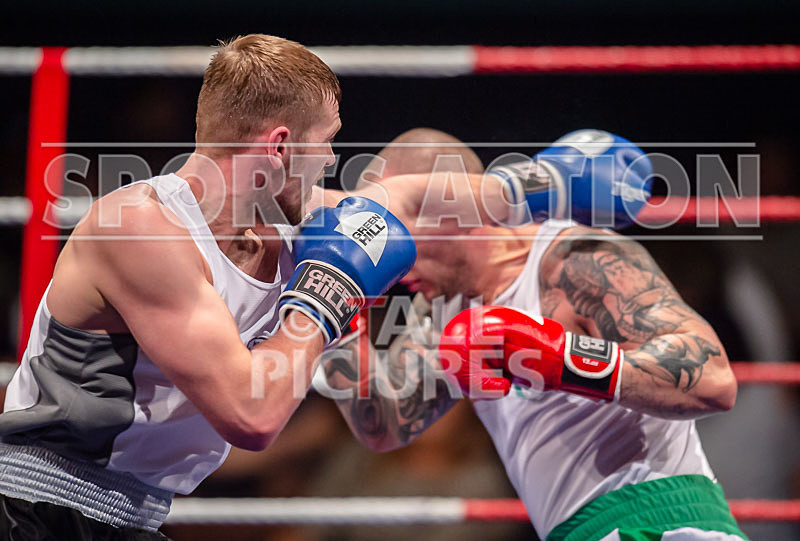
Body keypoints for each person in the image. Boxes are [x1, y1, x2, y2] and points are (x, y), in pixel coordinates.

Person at [0, 34, 416, 539]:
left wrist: (504, 203)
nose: (330, 159)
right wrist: (323, 298)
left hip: (133, 518)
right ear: (280, 146)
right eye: (326, 140)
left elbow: (414, 200)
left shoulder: (292, 224)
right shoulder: (140, 229)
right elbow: (252, 416)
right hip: (39, 512)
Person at [322, 129, 747, 540]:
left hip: (658, 520)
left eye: (394, 232)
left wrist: (558, 358)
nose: (390, 263)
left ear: (444, 212)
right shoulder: (442, 307)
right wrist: (333, 314)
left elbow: (714, 380)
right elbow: (384, 423)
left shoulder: (574, 259)